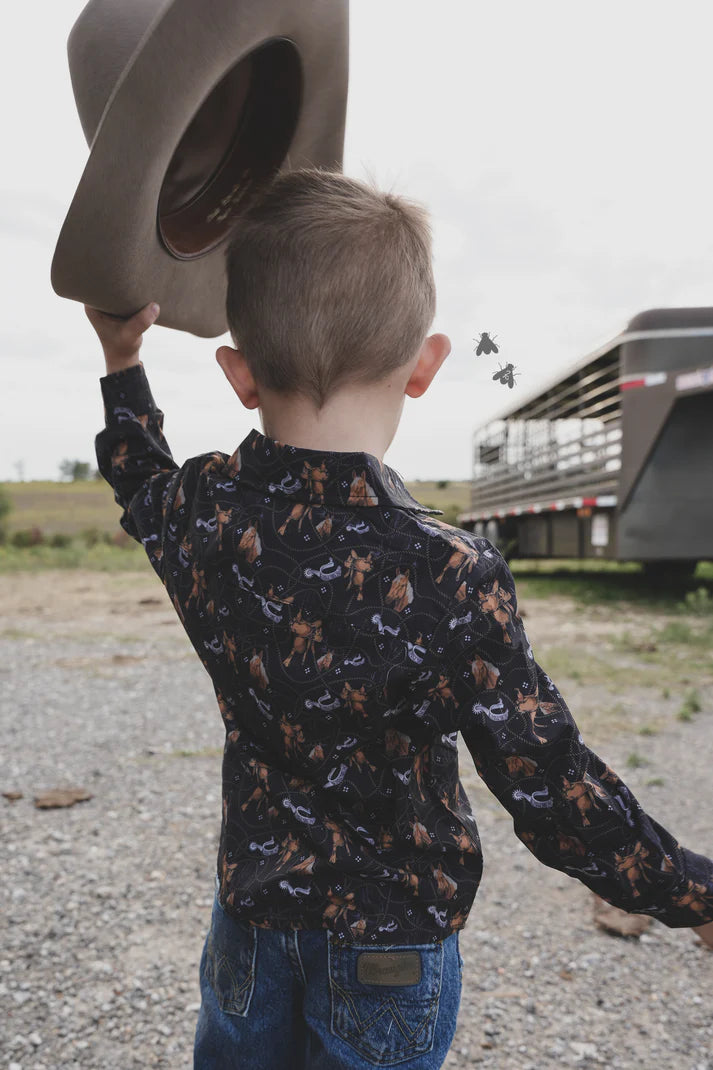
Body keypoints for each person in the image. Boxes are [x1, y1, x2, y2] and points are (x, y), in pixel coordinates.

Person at [87, 168, 713, 1070]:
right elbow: (552, 787)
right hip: (390, 949)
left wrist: (122, 359)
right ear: (424, 364)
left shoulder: (205, 514)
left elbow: (139, 477)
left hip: (250, 928)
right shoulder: (452, 574)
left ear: (239, 374)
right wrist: (690, 890)